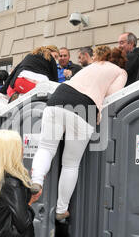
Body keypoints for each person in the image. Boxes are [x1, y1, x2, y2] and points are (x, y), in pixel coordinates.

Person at [31, 45, 128, 222]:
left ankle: (37, 180)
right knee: (70, 164)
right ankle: (61, 209)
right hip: (85, 107)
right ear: (121, 61)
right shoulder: (120, 72)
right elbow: (112, 97)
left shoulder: (94, 65)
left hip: (59, 98)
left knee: (45, 148)